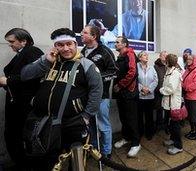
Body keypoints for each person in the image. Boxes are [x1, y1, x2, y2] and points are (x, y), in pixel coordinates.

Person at [21, 28, 102, 170]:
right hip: (46, 122)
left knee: (76, 162)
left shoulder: (86, 64)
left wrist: (87, 116)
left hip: (74, 123)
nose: (65, 49)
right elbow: (25, 75)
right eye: (60, 45)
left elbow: (97, 91)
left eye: (69, 44)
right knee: (49, 160)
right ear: (55, 46)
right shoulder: (48, 61)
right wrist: (46, 61)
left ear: (75, 44)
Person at [0, 28, 44, 170]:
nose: (10, 45)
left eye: (12, 42)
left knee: (21, 137)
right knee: (13, 136)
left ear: (23, 41)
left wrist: (9, 81)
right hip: (17, 104)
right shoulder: (22, 53)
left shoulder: (33, 51)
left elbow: (36, 75)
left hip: (24, 106)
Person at [80, 25, 117, 159]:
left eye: (84, 32)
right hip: (86, 97)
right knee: (90, 125)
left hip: (102, 96)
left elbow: (113, 71)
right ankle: (94, 149)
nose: (81, 34)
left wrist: (95, 78)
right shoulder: (83, 51)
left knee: (103, 124)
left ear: (94, 36)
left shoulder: (105, 51)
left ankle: (106, 152)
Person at [113, 36, 141, 158]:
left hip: (129, 93)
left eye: (118, 42)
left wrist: (120, 85)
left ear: (124, 44)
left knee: (131, 118)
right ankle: (126, 138)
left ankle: (136, 143)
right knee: (123, 117)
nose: (116, 44)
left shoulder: (130, 54)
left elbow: (132, 72)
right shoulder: (120, 56)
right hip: (121, 94)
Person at [160, 54, 183, 155]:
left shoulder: (174, 73)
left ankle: (178, 146)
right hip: (168, 103)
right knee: (171, 124)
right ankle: (173, 140)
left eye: (166, 60)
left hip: (173, 104)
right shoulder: (169, 71)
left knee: (175, 125)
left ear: (168, 62)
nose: (164, 61)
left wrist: (161, 90)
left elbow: (170, 89)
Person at [137, 51, 158, 140]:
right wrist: (142, 88)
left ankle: (149, 133)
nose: (147, 56)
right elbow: (134, 81)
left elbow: (155, 80)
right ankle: (140, 132)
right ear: (140, 58)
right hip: (140, 96)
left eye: (147, 55)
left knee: (149, 116)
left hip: (150, 96)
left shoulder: (152, 68)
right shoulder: (136, 67)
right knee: (139, 117)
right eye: (144, 55)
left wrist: (149, 89)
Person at [182, 55, 196, 140]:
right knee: (190, 116)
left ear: (195, 60)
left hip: (194, 97)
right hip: (187, 96)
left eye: (190, 59)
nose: (188, 60)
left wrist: (185, 88)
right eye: (188, 59)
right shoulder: (187, 69)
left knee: (195, 116)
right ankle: (192, 131)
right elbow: (182, 79)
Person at [154, 51, 167, 132]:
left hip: (167, 91)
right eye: (164, 55)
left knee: (166, 108)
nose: (165, 57)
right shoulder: (156, 66)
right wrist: (159, 89)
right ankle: (159, 125)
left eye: (166, 56)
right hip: (159, 91)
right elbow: (155, 79)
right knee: (159, 109)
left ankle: (165, 124)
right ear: (160, 56)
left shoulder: (168, 65)